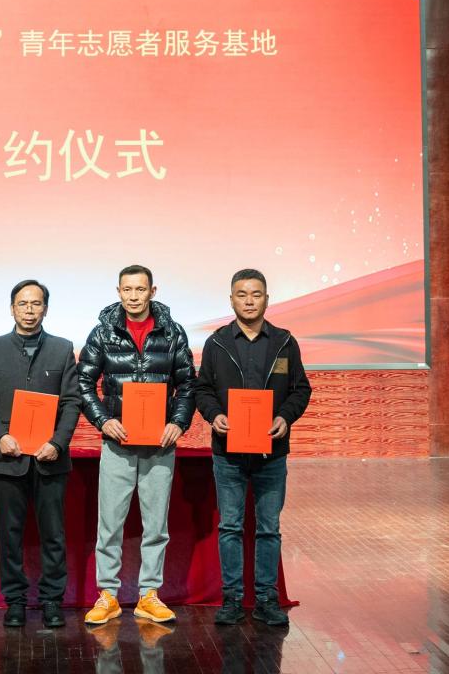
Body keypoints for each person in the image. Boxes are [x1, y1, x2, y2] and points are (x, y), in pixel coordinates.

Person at [78, 264, 195, 625]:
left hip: (160, 444)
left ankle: (149, 594)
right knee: (110, 524)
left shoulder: (173, 332)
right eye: (127, 290)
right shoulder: (103, 333)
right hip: (118, 443)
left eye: (140, 289)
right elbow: (83, 384)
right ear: (118, 292)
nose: (133, 296)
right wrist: (103, 420)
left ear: (152, 291)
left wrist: (178, 422)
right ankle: (108, 595)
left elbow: (187, 384)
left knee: (156, 526)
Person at [195, 268, 311, 627]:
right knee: (230, 526)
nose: (249, 301)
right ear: (231, 300)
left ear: (266, 299)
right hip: (228, 453)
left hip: (271, 454)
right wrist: (214, 415)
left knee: (268, 528)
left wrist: (285, 418)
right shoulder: (216, 343)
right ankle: (231, 600)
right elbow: (202, 390)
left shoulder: (284, 342)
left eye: (256, 294)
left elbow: (301, 389)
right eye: (242, 295)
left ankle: (266, 599)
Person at [0, 279, 82, 628]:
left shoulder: (63, 349)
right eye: (23, 304)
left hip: (51, 458)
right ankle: (15, 601)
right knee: (10, 534)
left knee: (54, 535)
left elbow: (72, 402)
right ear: (12, 309)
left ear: (45, 309)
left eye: (36, 304)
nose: (29, 310)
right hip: (9, 457)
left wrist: (58, 442)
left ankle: (52, 600)